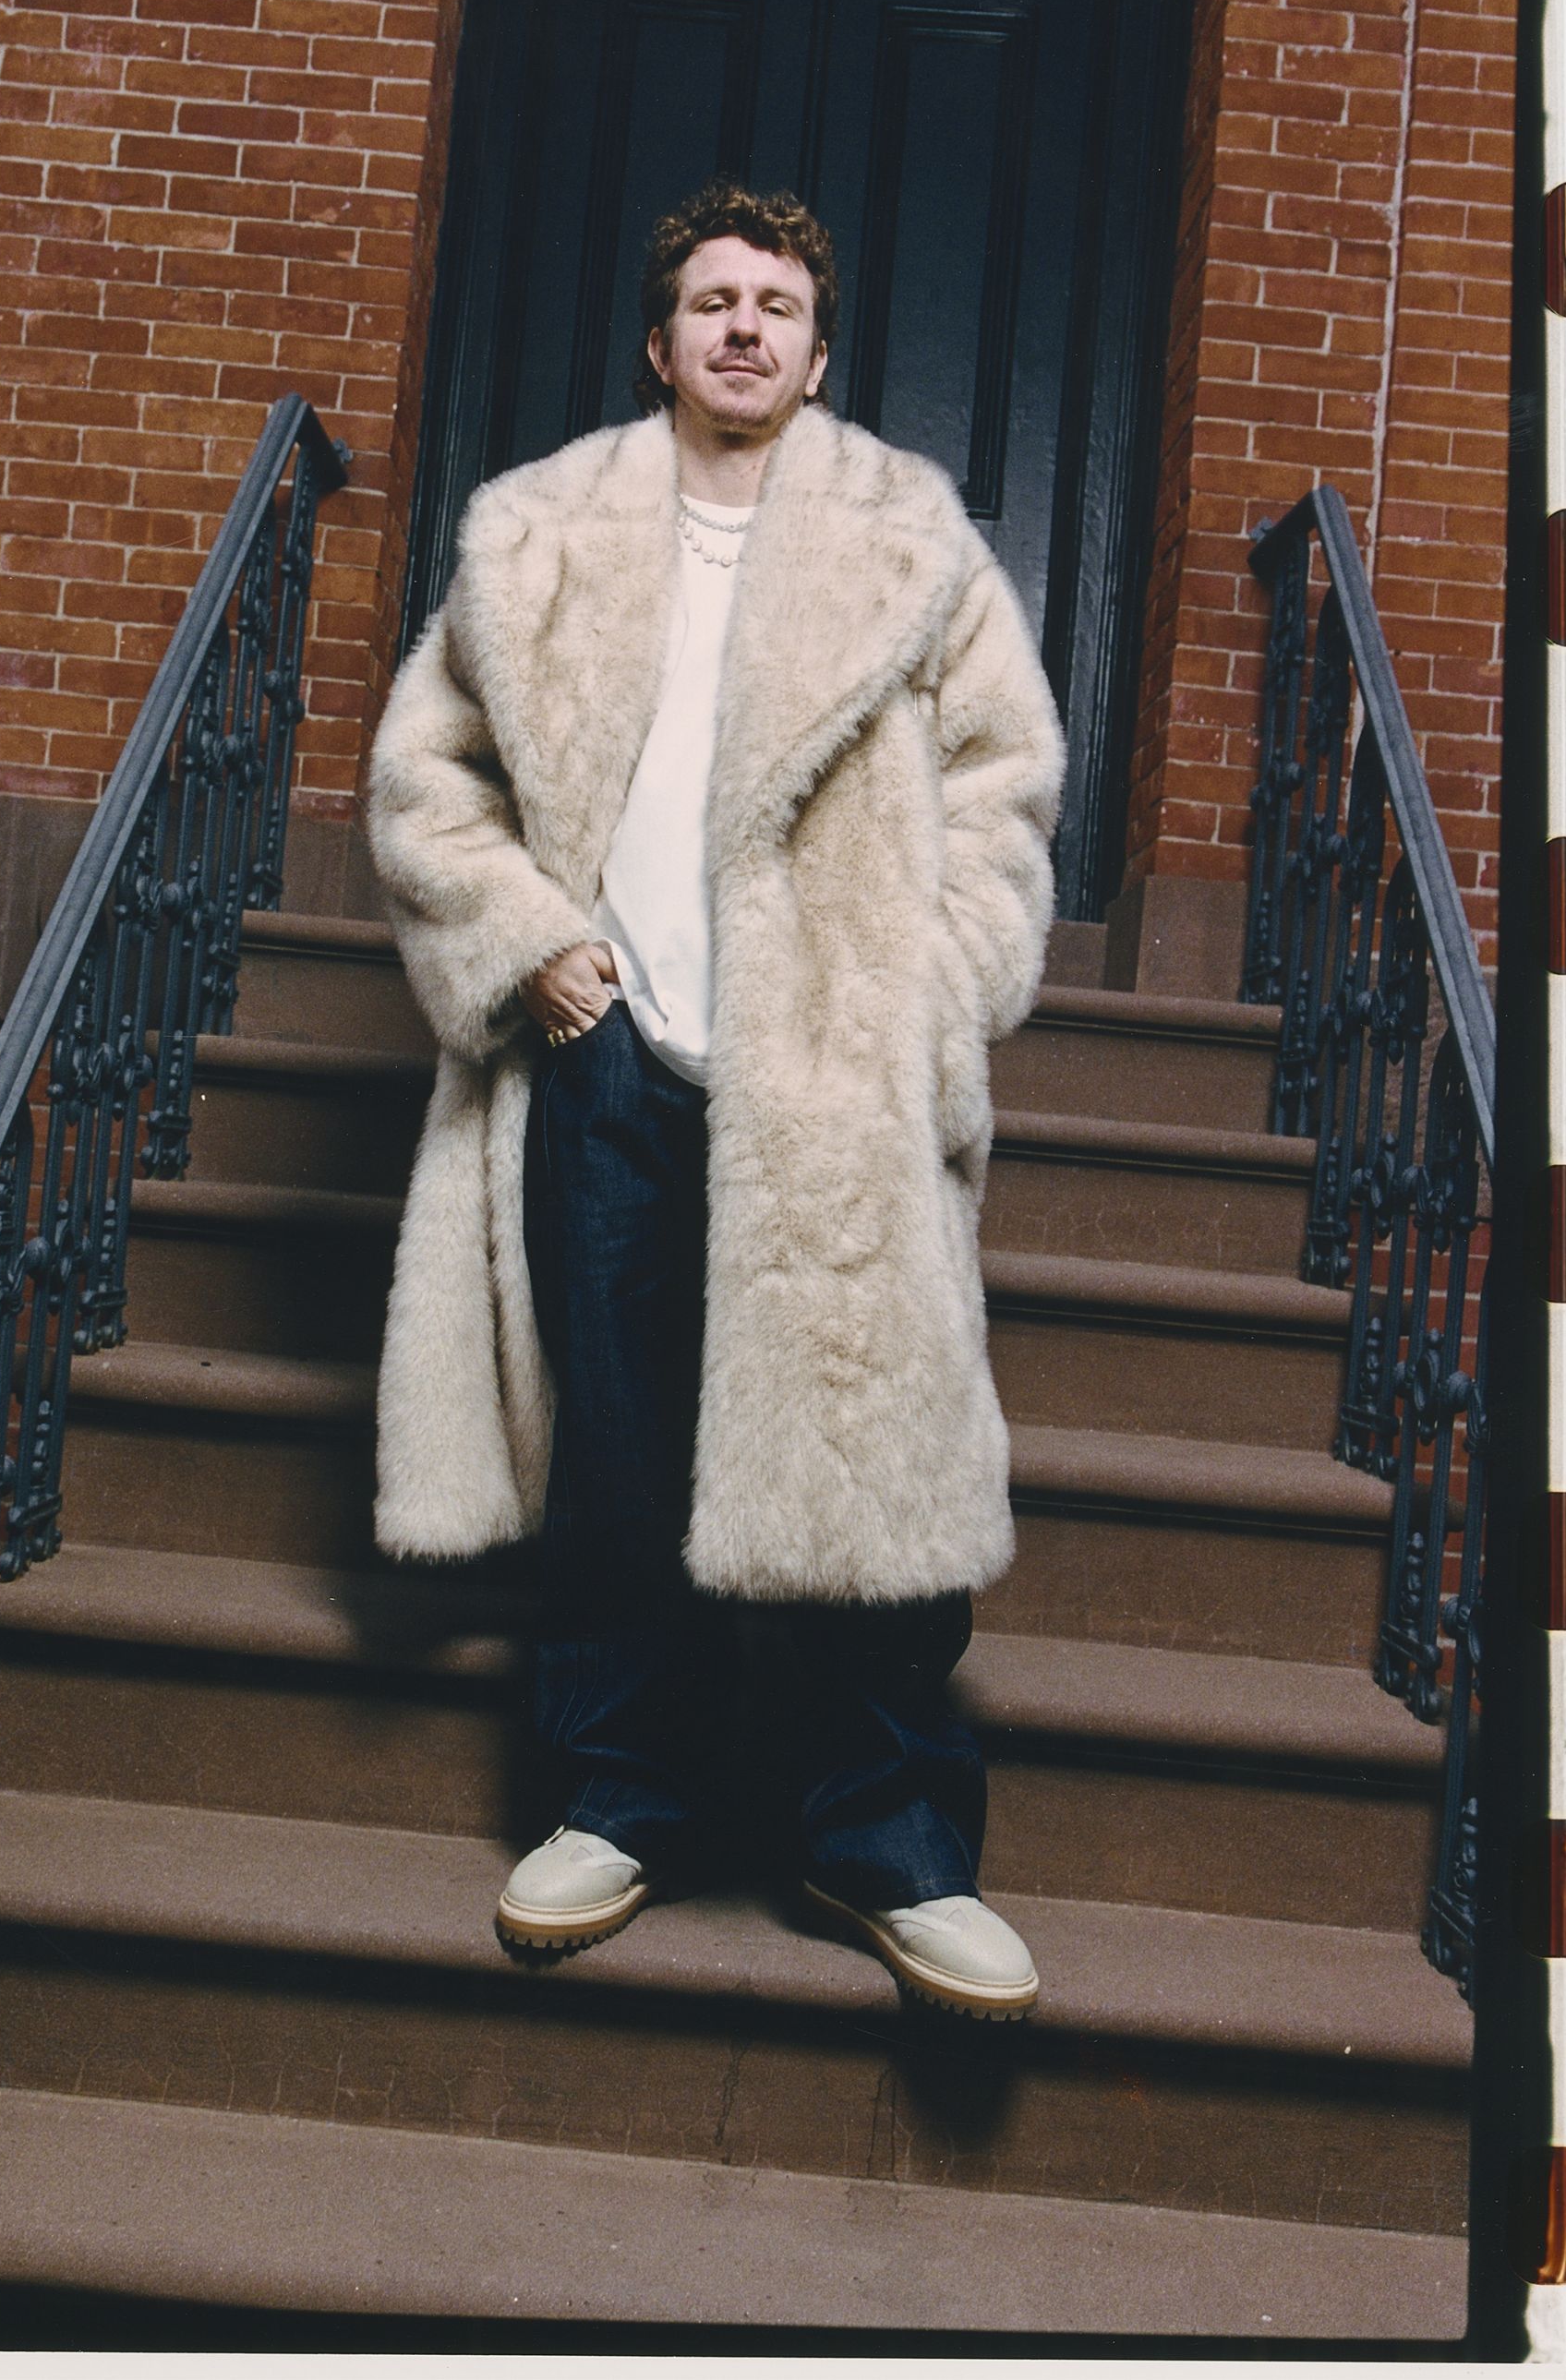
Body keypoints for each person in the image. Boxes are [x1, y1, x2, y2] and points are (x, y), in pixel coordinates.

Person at [365, 178, 1065, 2017]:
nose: (744, 326)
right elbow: (427, 783)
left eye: (776, 306)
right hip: (609, 1056)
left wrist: (924, 997)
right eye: (712, 301)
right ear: (660, 344)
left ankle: (888, 1842)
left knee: (862, 1448)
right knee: (615, 1450)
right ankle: (621, 1799)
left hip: (830, 1065)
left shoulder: (909, 539)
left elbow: (1002, 793)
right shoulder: (541, 536)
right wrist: (526, 939)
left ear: (817, 357)